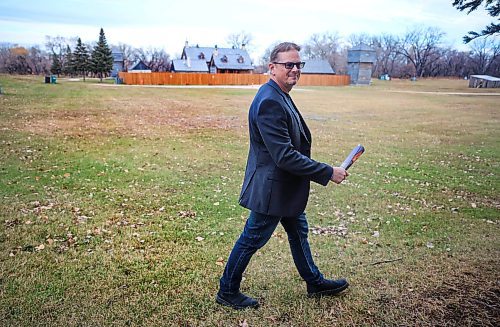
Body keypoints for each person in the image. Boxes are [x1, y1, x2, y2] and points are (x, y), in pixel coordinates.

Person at [216, 42, 349, 310]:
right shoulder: (269, 101)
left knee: (298, 232)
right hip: (273, 190)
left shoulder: (279, 93)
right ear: (272, 67)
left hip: (285, 187)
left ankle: (314, 281)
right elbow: (284, 156)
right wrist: (327, 172)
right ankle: (227, 290)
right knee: (252, 238)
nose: (295, 69)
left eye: (298, 64)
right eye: (289, 65)